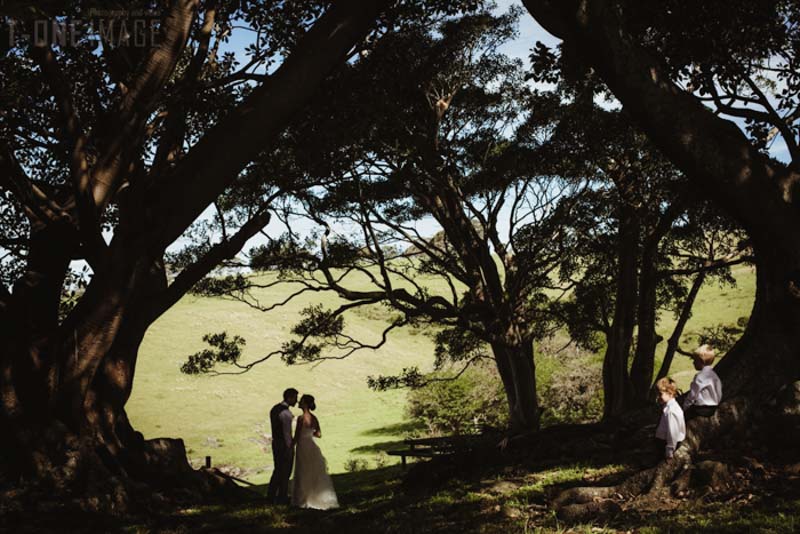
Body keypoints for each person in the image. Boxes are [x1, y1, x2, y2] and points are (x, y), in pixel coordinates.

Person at [291, 394, 339, 510]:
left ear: (305, 404)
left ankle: (303, 499)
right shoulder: (314, 417)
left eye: (301, 401)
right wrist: (308, 433)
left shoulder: (301, 418)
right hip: (311, 445)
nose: (299, 402)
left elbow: (297, 436)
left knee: (302, 470)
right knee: (312, 471)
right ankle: (314, 498)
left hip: (302, 446)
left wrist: (290, 446)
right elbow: (319, 434)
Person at [267, 388, 298, 504]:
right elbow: (287, 433)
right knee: (285, 471)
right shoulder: (286, 413)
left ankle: (271, 495)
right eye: (295, 398)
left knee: (277, 470)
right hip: (284, 445)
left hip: (276, 443)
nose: (296, 400)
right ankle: (282, 497)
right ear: (289, 398)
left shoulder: (274, 409)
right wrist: (290, 448)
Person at [681, 344, 722, 419]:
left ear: (701, 361)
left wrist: (686, 406)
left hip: (701, 409)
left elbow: (693, 394)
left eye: (695, 360)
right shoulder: (714, 376)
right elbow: (719, 392)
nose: (693, 363)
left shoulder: (700, 376)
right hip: (713, 407)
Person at [655, 377, 686, 460]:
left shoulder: (671, 411)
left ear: (670, 393)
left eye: (660, 394)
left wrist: (669, 450)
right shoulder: (668, 406)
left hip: (666, 443)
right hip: (663, 441)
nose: (657, 397)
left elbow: (672, 432)